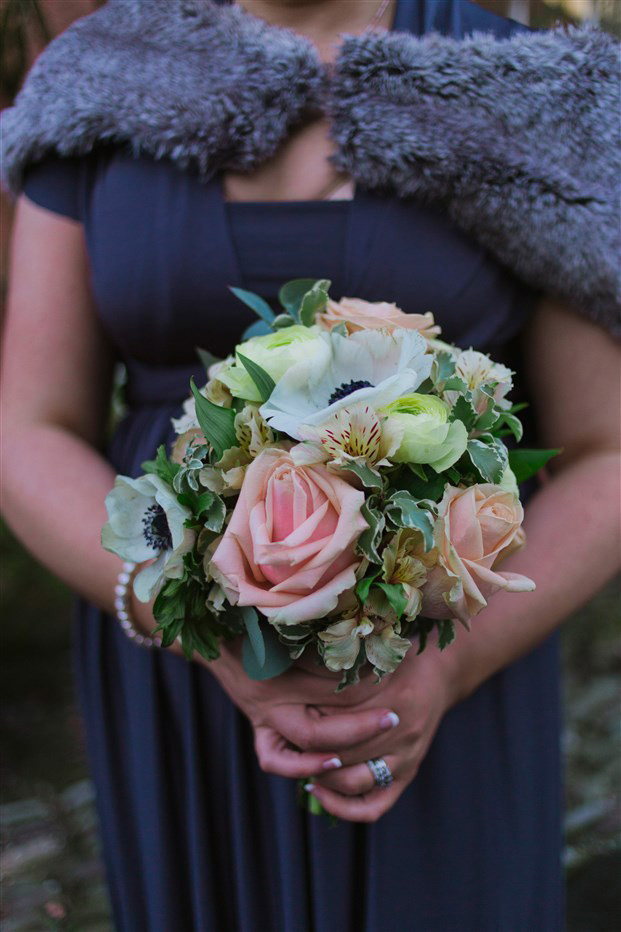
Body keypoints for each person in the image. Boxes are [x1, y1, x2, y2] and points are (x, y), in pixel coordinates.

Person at [1, 0, 619, 929]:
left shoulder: (538, 89)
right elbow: (30, 424)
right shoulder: (103, 70)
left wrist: (439, 678)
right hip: (173, 673)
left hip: (443, 668)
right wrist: (193, 630)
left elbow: (608, 449)